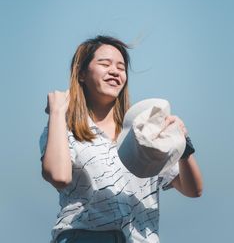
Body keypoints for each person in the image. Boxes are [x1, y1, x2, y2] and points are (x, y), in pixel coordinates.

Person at [39, 35, 203, 243]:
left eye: (121, 67)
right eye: (104, 64)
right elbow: (58, 176)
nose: (115, 71)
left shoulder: (145, 131)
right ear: (81, 73)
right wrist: (57, 112)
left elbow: (193, 189)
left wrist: (183, 144)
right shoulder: (65, 128)